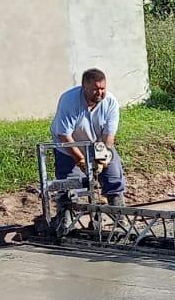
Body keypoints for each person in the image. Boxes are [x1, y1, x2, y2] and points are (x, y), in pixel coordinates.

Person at [51, 68, 125, 205]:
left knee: (113, 177)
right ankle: (66, 219)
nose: (100, 93)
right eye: (95, 89)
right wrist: (80, 160)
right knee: (70, 184)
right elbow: (64, 135)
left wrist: (103, 158)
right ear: (84, 86)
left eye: (103, 88)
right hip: (69, 146)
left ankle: (119, 216)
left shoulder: (110, 102)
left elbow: (108, 136)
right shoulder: (69, 101)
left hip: (97, 143)